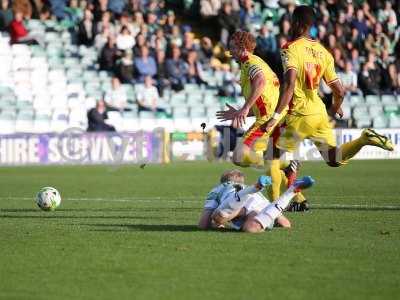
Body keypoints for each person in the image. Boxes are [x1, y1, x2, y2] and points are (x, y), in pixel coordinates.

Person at [262, 6, 394, 190]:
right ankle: (364, 139)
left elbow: (290, 84)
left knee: (270, 156)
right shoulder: (324, 53)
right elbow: (339, 90)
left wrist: (274, 117)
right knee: (334, 159)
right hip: (319, 113)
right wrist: (334, 106)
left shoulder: (289, 48)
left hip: (299, 114)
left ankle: (276, 210)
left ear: (297, 23)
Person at [216, 31, 307, 209]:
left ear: (243, 48)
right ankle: (293, 188)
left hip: (268, 119)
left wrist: (245, 108)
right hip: (275, 115)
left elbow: (260, 82)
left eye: (233, 47)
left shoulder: (251, 63)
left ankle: (286, 166)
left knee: (239, 155)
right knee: (266, 158)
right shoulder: (250, 64)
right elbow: (264, 98)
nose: (230, 51)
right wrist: (242, 112)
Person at [197, 169, 314, 232]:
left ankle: (247, 194)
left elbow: (203, 224)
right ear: (242, 182)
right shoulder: (259, 196)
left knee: (218, 216)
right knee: (251, 228)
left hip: (234, 201)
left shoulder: (219, 188)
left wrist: (217, 224)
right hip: (257, 204)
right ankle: (292, 191)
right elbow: (286, 224)